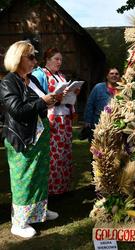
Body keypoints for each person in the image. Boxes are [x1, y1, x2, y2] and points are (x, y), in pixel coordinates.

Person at [0, 41, 59, 238]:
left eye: (35, 56)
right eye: (31, 57)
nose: (35, 60)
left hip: (38, 137)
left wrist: (53, 98)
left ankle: (36, 213)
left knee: (39, 177)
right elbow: (17, 111)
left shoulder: (31, 79)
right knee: (23, 179)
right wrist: (43, 101)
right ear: (18, 59)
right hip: (23, 139)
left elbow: (38, 105)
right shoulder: (8, 82)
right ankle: (18, 223)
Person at [32, 48, 78, 196]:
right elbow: (38, 97)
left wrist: (73, 92)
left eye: (61, 59)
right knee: (54, 154)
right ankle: (51, 189)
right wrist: (56, 97)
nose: (60, 62)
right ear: (48, 59)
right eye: (56, 59)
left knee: (64, 152)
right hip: (53, 118)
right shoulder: (41, 74)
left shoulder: (61, 75)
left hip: (65, 119)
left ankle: (62, 187)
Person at [83, 67, 121, 141]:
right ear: (107, 76)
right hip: (99, 123)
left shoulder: (122, 90)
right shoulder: (98, 88)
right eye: (111, 73)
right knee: (98, 148)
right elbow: (90, 104)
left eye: (116, 74)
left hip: (116, 124)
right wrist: (87, 121)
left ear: (119, 76)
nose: (114, 75)